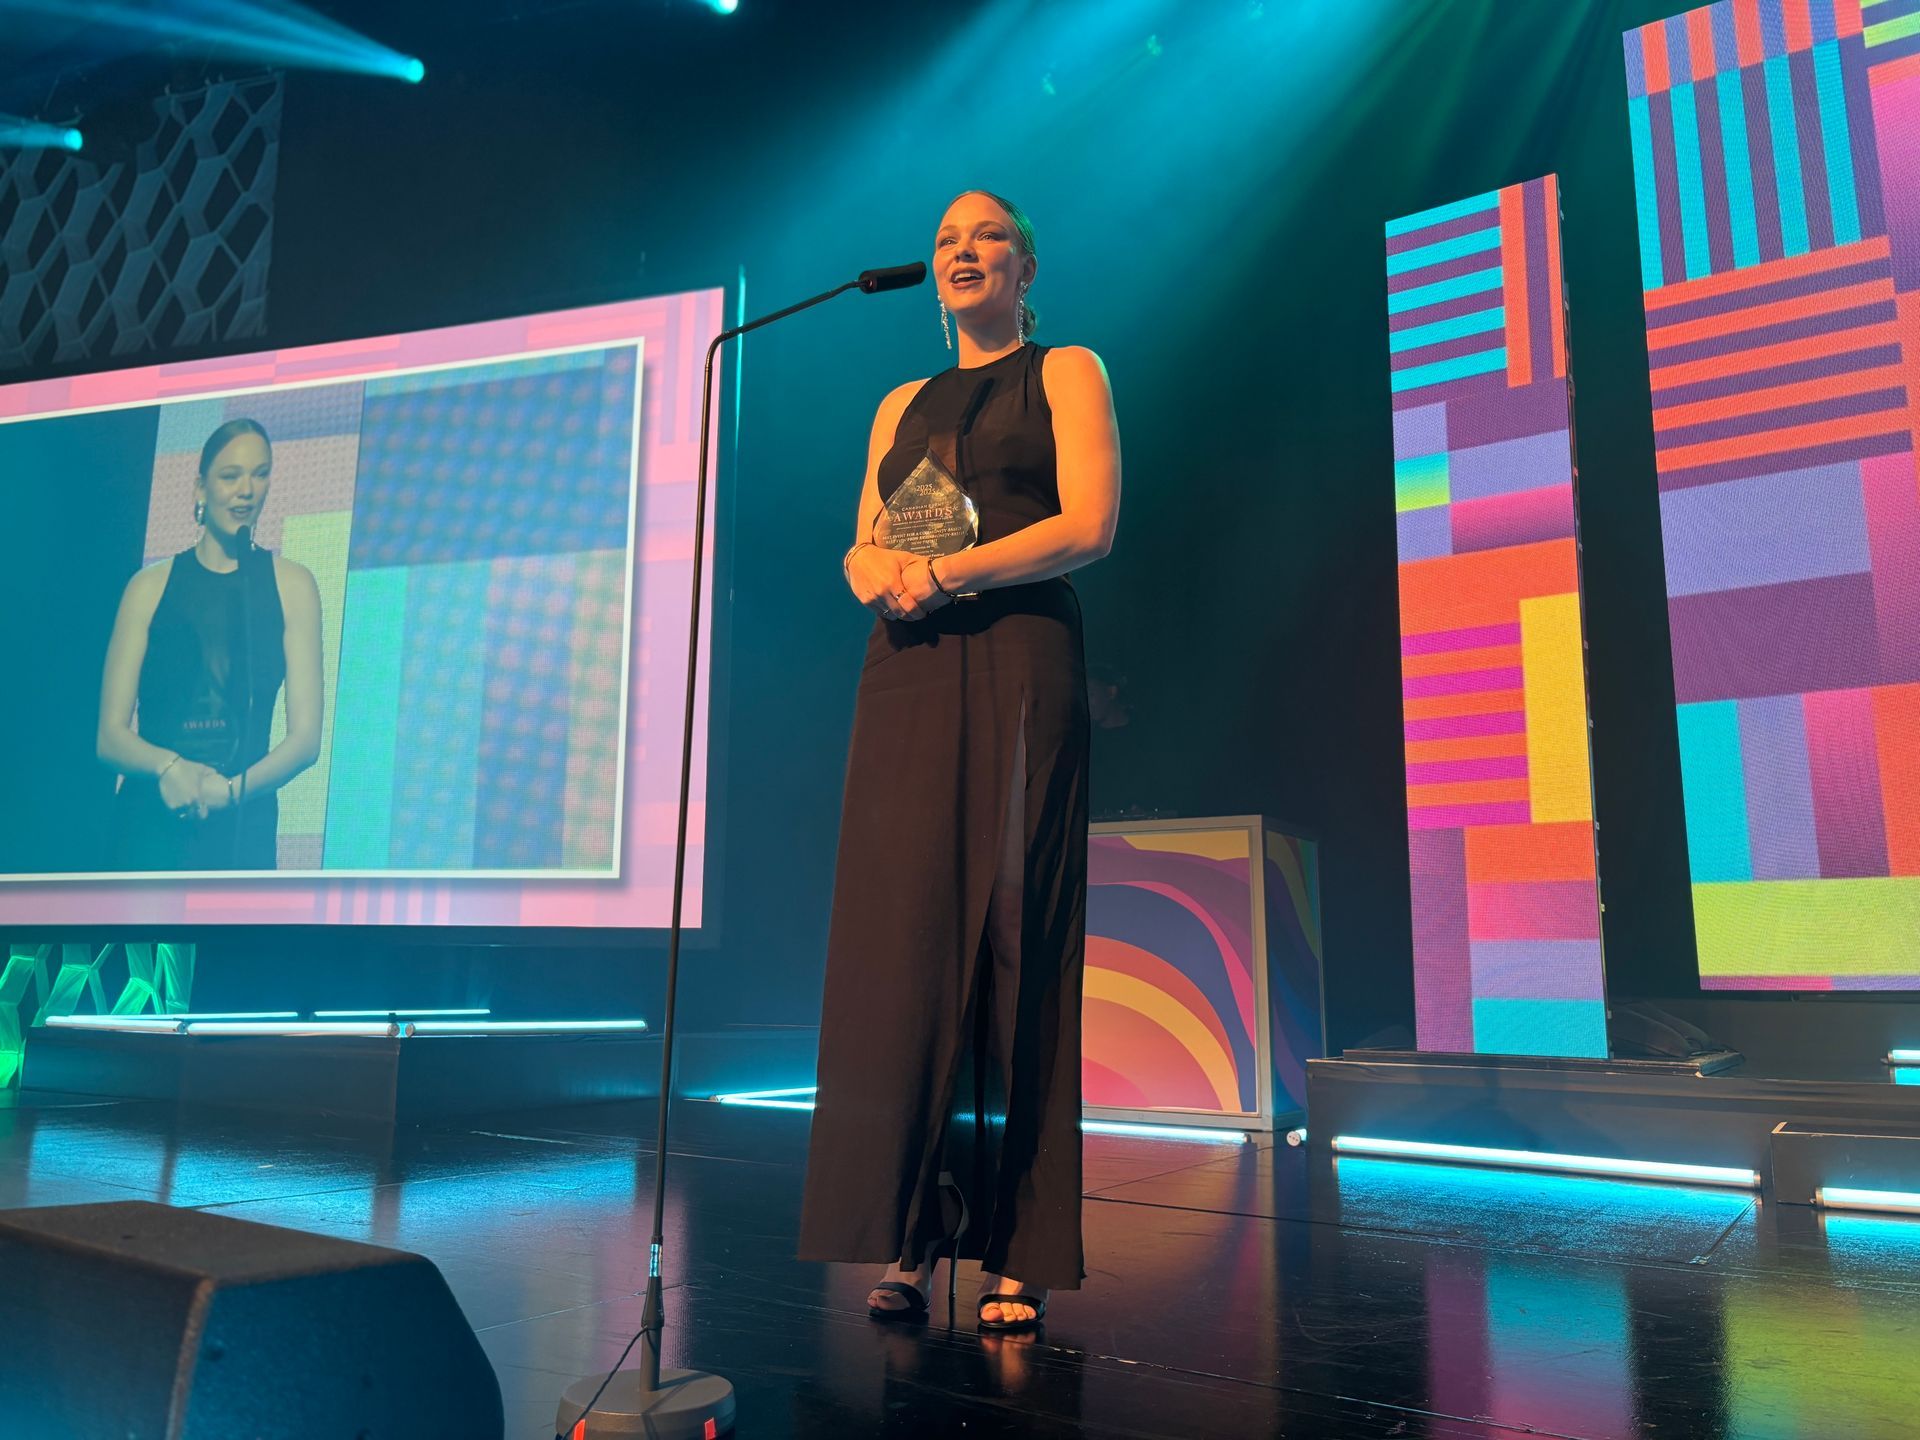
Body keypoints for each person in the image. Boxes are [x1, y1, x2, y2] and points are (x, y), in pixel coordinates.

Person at [798, 190, 1122, 1332]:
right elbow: (859, 540)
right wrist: (876, 576)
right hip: (906, 670)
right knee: (905, 948)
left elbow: (1089, 526)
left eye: (985, 235)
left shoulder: (1065, 370)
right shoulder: (901, 401)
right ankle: (911, 1231)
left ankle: (1014, 1245)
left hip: (1019, 653)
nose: (960, 250)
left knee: (1012, 940)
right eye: (944, 240)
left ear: (1026, 265)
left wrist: (948, 573)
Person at [97, 417, 323, 871]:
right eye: (230, 475)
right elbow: (109, 738)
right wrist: (168, 767)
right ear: (200, 488)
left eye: (260, 474)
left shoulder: (293, 585)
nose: (247, 489)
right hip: (151, 828)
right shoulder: (148, 587)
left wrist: (230, 790)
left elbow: (305, 741)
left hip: (244, 826)